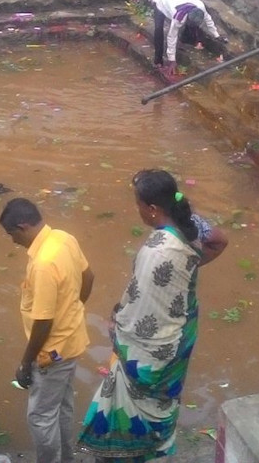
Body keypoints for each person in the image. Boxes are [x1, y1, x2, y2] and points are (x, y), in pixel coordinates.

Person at [78, 169, 224, 462]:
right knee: (164, 401)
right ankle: (158, 442)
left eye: (139, 204)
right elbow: (219, 240)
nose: (138, 210)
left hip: (152, 350)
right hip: (181, 331)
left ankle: (135, 451)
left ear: (153, 209)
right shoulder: (189, 226)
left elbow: (138, 307)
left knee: (135, 400)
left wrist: (117, 326)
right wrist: (192, 266)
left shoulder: (157, 250)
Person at [0, 197, 94, 463]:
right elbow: (89, 277)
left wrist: (25, 362)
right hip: (72, 341)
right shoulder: (64, 238)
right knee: (61, 407)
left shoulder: (43, 263)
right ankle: (66, 458)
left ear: (23, 226)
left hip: (51, 353)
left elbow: (43, 322)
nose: (13, 241)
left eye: (12, 234)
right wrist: (74, 309)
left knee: (40, 416)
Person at [151, 0, 224, 77]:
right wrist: (172, 60)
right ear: (187, 18)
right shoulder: (178, 17)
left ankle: (184, 39)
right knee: (158, 29)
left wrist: (216, 35)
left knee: (192, 28)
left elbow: (208, 20)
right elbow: (171, 36)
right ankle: (158, 60)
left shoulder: (200, 7)